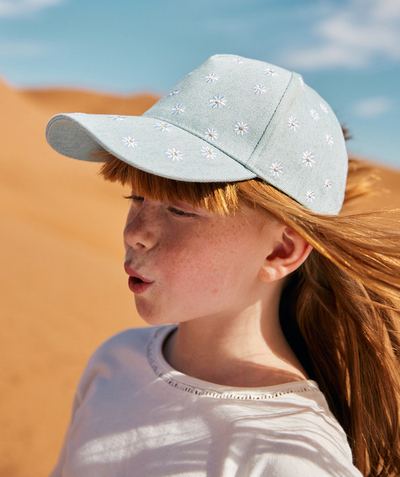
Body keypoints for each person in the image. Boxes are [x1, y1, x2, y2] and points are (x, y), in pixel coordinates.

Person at [46, 54, 400, 477]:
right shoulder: (115, 360)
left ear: (280, 252)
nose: (135, 232)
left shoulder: (292, 457)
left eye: (180, 210)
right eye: (136, 197)